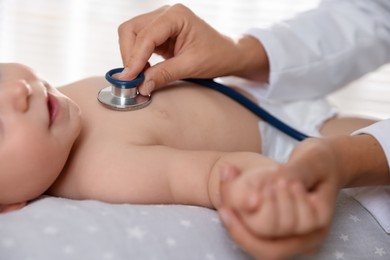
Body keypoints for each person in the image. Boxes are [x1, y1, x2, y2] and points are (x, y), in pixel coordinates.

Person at [115, 1, 390, 258]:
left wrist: (352, 157)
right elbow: (373, 11)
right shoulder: (103, 167)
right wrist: (239, 52)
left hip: (295, 118)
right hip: (293, 142)